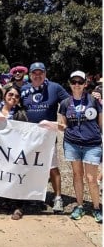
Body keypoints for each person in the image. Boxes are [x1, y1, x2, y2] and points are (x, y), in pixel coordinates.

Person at [21, 62, 69, 213]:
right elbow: (13, 105)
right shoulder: (24, 89)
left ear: (45, 73)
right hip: (28, 136)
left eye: (40, 72)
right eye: (34, 73)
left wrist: (62, 122)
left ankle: (58, 198)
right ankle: (32, 196)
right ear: (30, 75)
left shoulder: (55, 88)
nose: (37, 75)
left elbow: (68, 103)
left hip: (48, 136)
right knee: (30, 166)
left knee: (52, 167)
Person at [58, 71, 102, 223]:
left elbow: (101, 123)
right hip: (72, 144)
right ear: (70, 83)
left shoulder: (93, 100)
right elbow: (64, 125)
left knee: (91, 179)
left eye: (80, 82)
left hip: (92, 144)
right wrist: (57, 126)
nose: (76, 85)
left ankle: (97, 208)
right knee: (77, 175)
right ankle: (80, 206)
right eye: (73, 82)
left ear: (85, 84)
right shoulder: (65, 103)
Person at [0, 84, 28, 219]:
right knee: (2, 174)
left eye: (16, 96)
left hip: (15, 149)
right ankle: (4, 200)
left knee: (16, 175)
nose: (13, 98)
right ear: (4, 96)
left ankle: (18, 206)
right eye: (10, 94)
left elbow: (26, 131)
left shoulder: (21, 112)